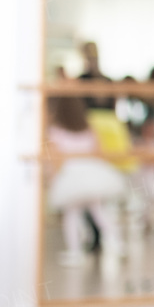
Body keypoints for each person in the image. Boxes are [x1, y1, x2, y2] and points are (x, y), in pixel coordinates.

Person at [45, 95, 127, 265]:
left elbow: (56, 160)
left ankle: (75, 253)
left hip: (71, 175)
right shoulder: (88, 129)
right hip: (92, 173)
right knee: (99, 211)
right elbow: (99, 153)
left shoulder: (54, 131)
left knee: (72, 214)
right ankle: (119, 245)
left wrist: (53, 180)